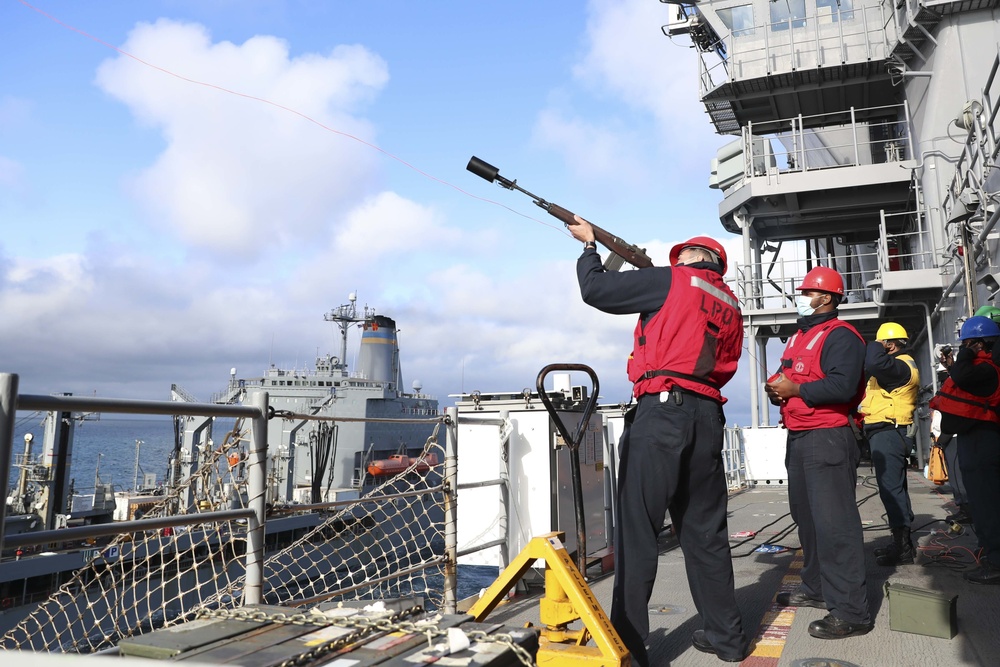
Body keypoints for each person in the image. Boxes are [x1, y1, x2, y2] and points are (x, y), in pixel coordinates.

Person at [568, 217, 748, 664]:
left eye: (681, 254)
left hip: (662, 414)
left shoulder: (675, 280)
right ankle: (728, 640)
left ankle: (627, 649)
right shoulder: (731, 303)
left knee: (638, 532)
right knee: (706, 535)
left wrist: (591, 248)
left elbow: (596, 291)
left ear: (691, 257)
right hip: (707, 417)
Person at [765, 266, 873, 639]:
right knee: (808, 520)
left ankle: (852, 611)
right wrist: (778, 389)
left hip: (827, 436)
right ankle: (817, 588)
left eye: (807, 292)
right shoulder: (801, 335)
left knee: (835, 525)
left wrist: (796, 390)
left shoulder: (842, 336)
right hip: (799, 437)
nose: (801, 297)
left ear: (825, 297)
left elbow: (843, 386)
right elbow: (791, 376)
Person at [930, 315, 1000, 584]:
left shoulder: (987, 369)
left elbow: (964, 375)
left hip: (983, 441)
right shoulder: (979, 369)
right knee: (981, 502)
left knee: (987, 504)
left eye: (968, 343)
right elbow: (961, 379)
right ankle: (989, 553)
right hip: (974, 440)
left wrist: (963, 356)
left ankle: (995, 562)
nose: (964, 348)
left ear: (979, 344)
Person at [859, 322, 919, 566]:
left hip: (890, 432)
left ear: (890, 344)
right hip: (886, 432)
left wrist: (874, 345)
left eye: (882, 343)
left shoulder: (900, 367)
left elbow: (873, 362)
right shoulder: (895, 367)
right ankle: (902, 543)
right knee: (894, 488)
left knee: (891, 490)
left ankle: (902, 548)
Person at [931, 345, 972, 524]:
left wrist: (944, 437)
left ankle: (966, 508)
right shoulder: (946, 387)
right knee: (955, 475)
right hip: (946, 435)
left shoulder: (955, 385)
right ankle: (964, 506)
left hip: (952, 436)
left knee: (957, 475)